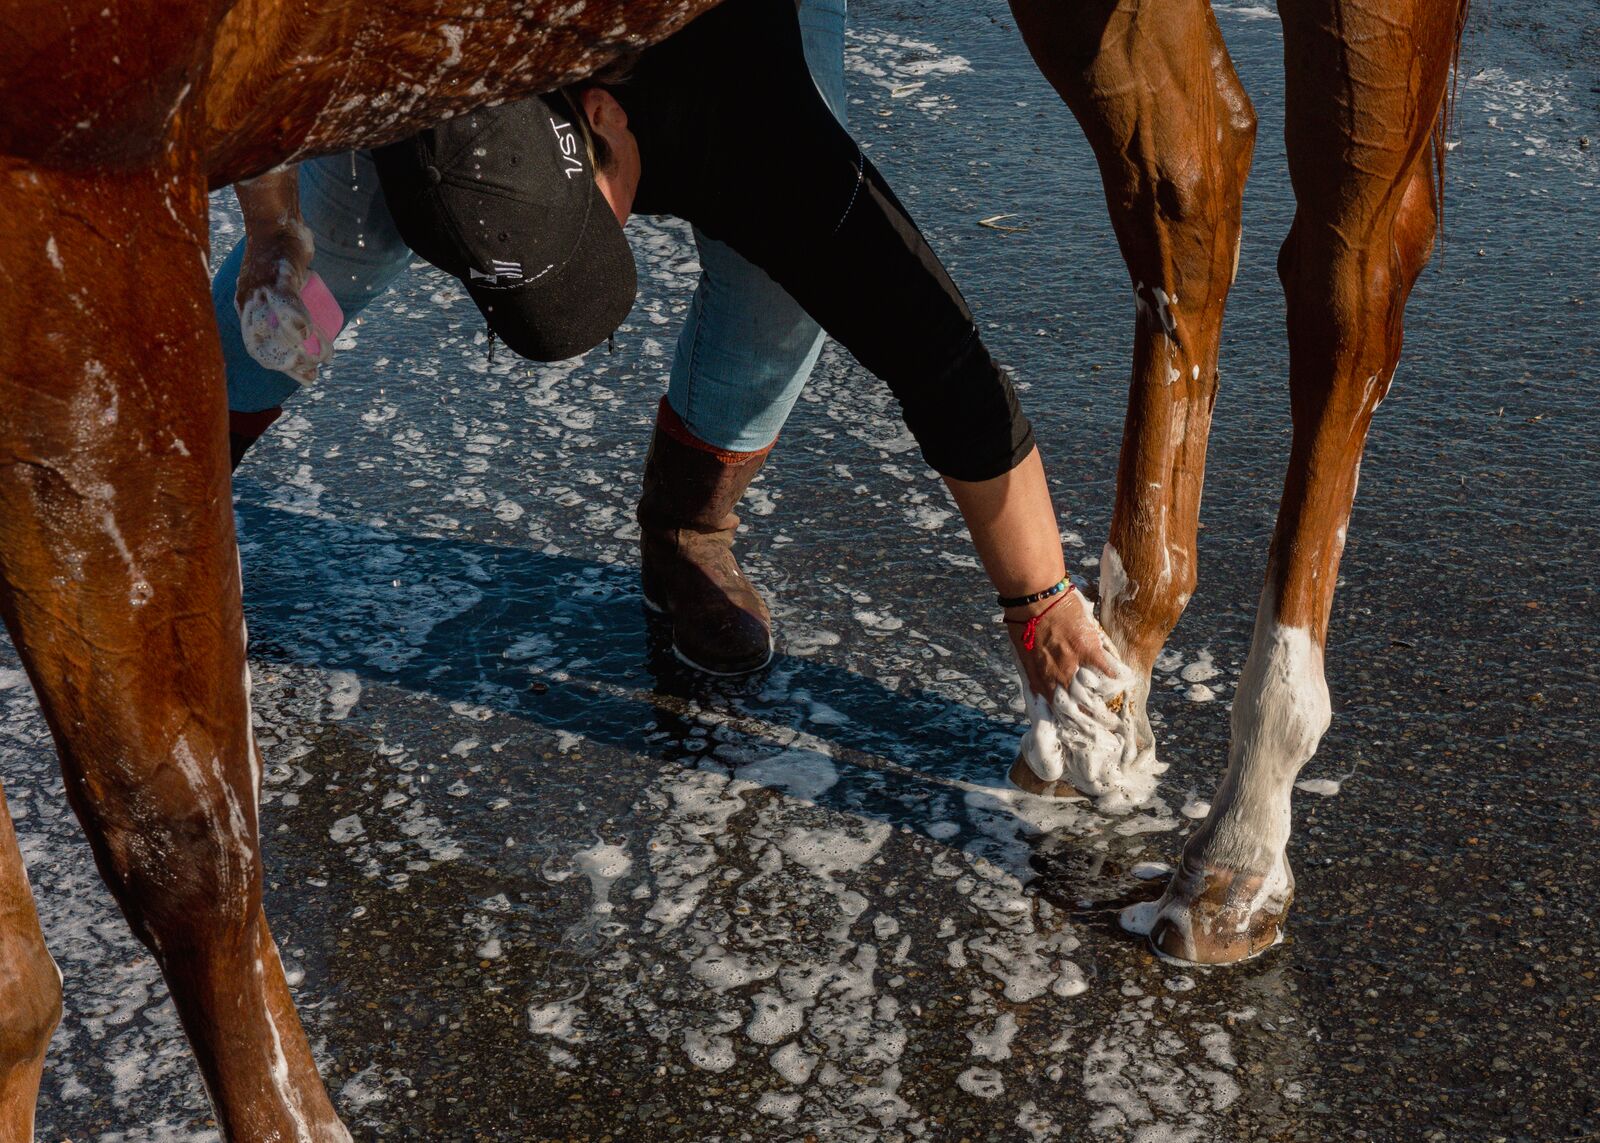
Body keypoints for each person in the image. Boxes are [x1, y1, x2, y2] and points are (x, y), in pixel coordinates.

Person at [219, 0, 1131, 730]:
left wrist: (1040, 605)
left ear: (604, 118)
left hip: (721, 46)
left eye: (600, 223)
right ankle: (173, 493)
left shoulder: (755, 126)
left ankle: (686, 524)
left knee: (782, 288)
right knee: (325, 254)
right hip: (437, 57)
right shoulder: (403, 63)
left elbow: (941, 359)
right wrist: (270, 226)